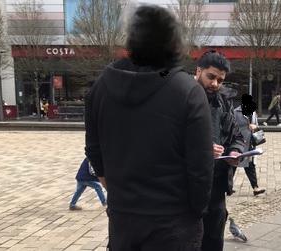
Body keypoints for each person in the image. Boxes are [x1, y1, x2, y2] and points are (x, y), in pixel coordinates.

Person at [85, 5, 214, 250]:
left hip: (124, 220)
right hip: (174, 222)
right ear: (172, 44)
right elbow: (201, 166)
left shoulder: (100, 87)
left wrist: (119, 193)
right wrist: (197, 210)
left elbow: (93, 150)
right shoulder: (187, 90)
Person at [194, 50, 245, 251]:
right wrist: (202, 149)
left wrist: (235, 152)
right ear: (198, 71)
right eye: (211, 77)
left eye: (220, 80)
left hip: (216, 190)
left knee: (213, 242)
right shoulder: (180, 98)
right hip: (186, 191)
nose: (215, 83)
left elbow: (237, 137)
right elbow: (165, 142)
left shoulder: (223, 101)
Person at [234, 94, 266, 196]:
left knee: (250, 165)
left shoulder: (253, 112)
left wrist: (255, 127)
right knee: (233, 165)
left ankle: (255, 187)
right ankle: (227, 186)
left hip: (250, 143)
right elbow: (232, 126)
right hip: (239, 142)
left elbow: (257, 125)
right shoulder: (236, 112)